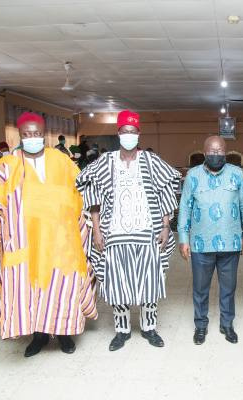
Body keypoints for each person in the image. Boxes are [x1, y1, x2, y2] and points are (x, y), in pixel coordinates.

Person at [0, 112, 98, 357]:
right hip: (24, 242)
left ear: (43, 135)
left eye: (36, 134)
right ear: (20, 136)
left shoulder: (63, 161)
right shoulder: (6, 166)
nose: (32, 138)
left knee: (62, 288)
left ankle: (65, 334)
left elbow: (83, 192)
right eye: (27, 134)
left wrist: (90, 222)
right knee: (30, 291)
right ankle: (39, 337)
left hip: (61, 241)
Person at [76, 110, 181, 351]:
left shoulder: (151, 161)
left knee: (149, 282)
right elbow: (93, 194)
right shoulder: (106, 161)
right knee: (118, 283)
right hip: (114, 234)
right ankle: (122, 331)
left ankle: (149, 328)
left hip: (148, 233)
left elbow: (166, 190)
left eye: (133, 132)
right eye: (125, 132)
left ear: (139, 134)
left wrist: (165, 226)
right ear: (119, 134)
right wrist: (96, 231)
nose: (129, 136)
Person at [178, 136, 243, 345]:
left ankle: (227, 324)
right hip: (200, 244)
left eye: (220, 151)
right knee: (200, 289)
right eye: (212, 151)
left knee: (228, 288)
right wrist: (183, 238)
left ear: (226, 152)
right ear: (204, 153)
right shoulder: (192, 175)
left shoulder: (237, 174)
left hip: (231, 243)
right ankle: (200, 325)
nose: (216, 155)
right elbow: (185, 208)